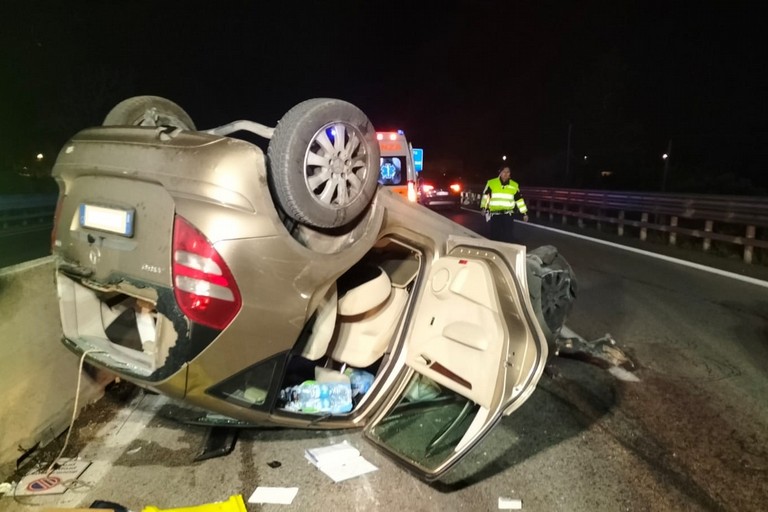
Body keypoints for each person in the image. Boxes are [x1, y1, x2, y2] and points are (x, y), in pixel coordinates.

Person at [480, 165, 528, 243]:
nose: (505, 174)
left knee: (508, 236)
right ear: (500, 173)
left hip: (508, 215)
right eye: (504, 172)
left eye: (508, 172)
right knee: (495, 236)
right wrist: (483, 208)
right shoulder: (491, 183)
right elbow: (486, 196)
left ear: (510, 174)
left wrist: (524, 213)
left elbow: (519, 200)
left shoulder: (514, 185)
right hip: (495, 214)